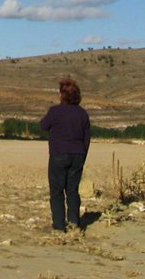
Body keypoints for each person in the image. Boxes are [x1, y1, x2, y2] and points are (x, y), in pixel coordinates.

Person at [40, 77, 91, 231]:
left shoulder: (55, 111)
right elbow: (87, 138)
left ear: (62, 95)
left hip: (58, 154)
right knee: (72, 191)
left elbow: (43, 125)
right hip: (78, 155)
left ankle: (59, 226)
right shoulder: (82, 114)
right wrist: (82, 157)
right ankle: (74, 223)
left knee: (56, 191)